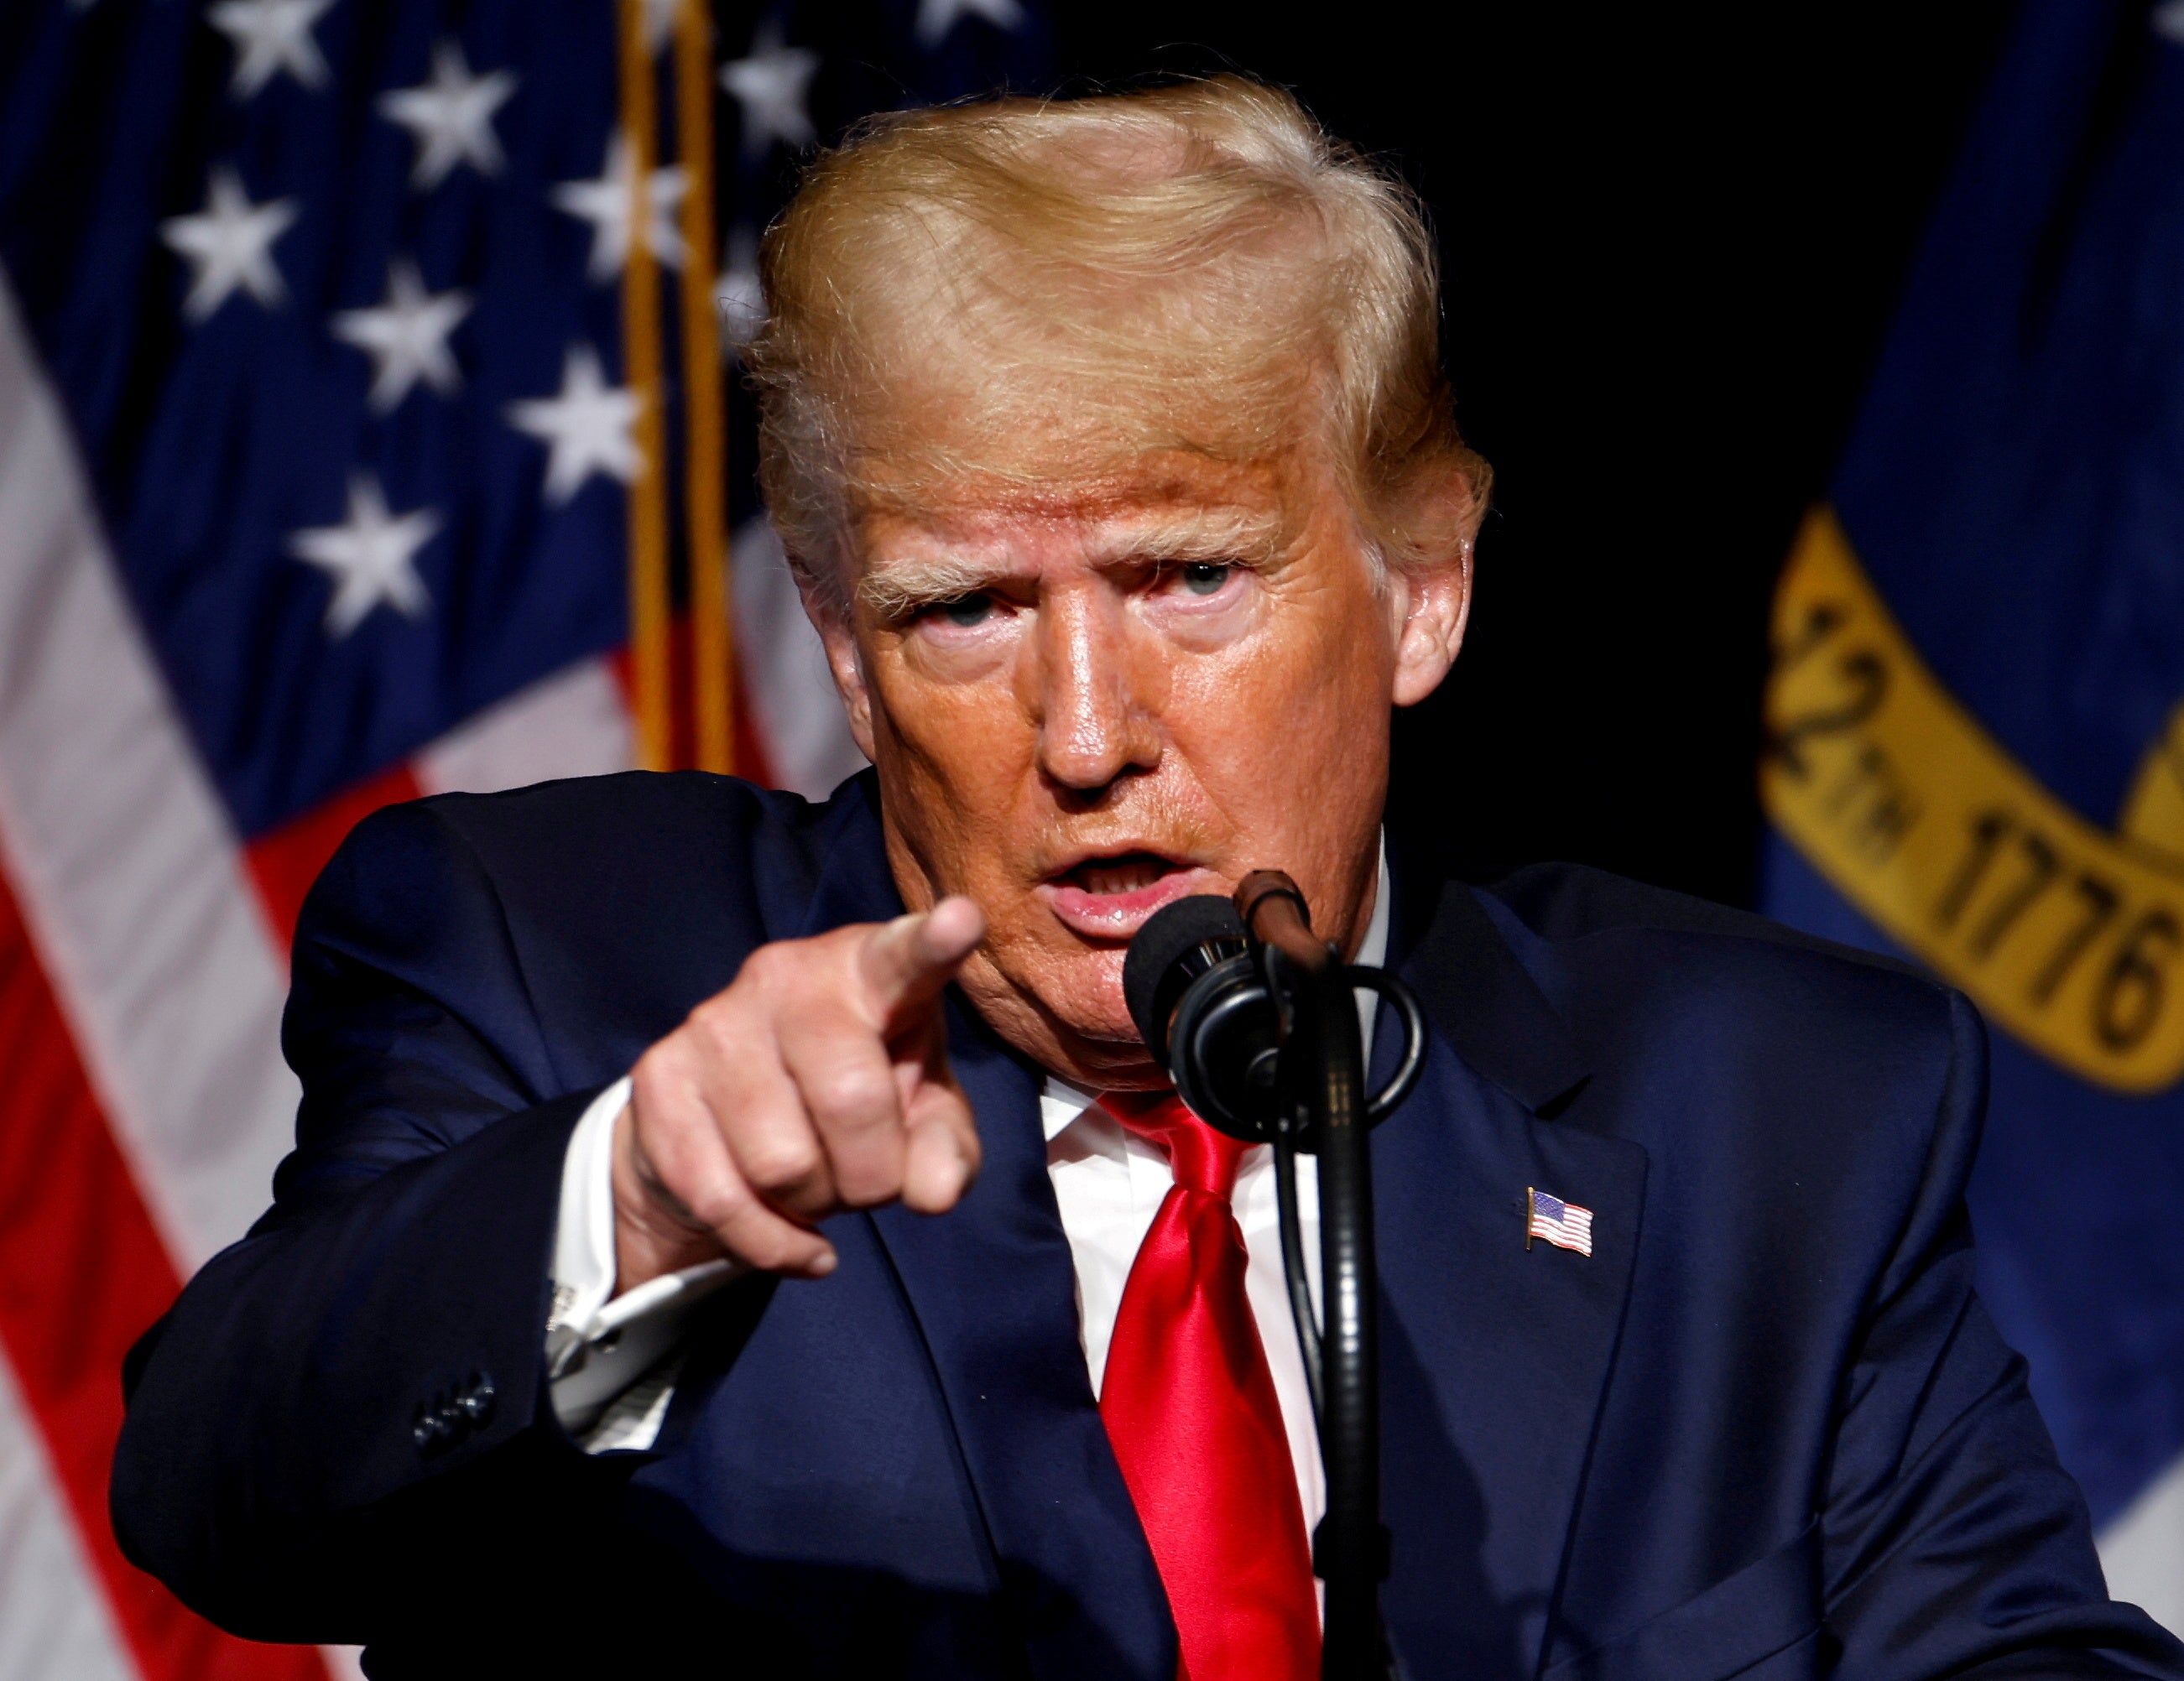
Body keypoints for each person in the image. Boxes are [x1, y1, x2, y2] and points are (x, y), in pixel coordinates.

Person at [112, 78, 2183, 1680]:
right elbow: (222, 1489)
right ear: (841, 645)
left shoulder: (1778, 1112)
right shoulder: (555, 963)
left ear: (1424, 586)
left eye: (1190, 578)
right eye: (963, 612)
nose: (1088, 729)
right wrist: (641, 1196)